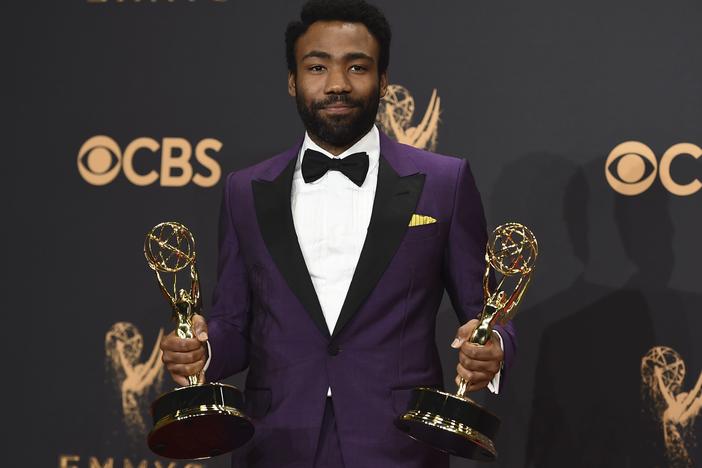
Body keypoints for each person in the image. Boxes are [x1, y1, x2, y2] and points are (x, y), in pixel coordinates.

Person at [159, 1, 515, 467]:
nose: (337, 84)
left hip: (398, 444)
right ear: (293, 81)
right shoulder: (245, 191)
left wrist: (493, 346)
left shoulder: (444, 183)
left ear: (383, 80)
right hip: (276, 440)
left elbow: (485, 310)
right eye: (317, 66)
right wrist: (200, 350)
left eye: (358, 66)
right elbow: (235, 322)